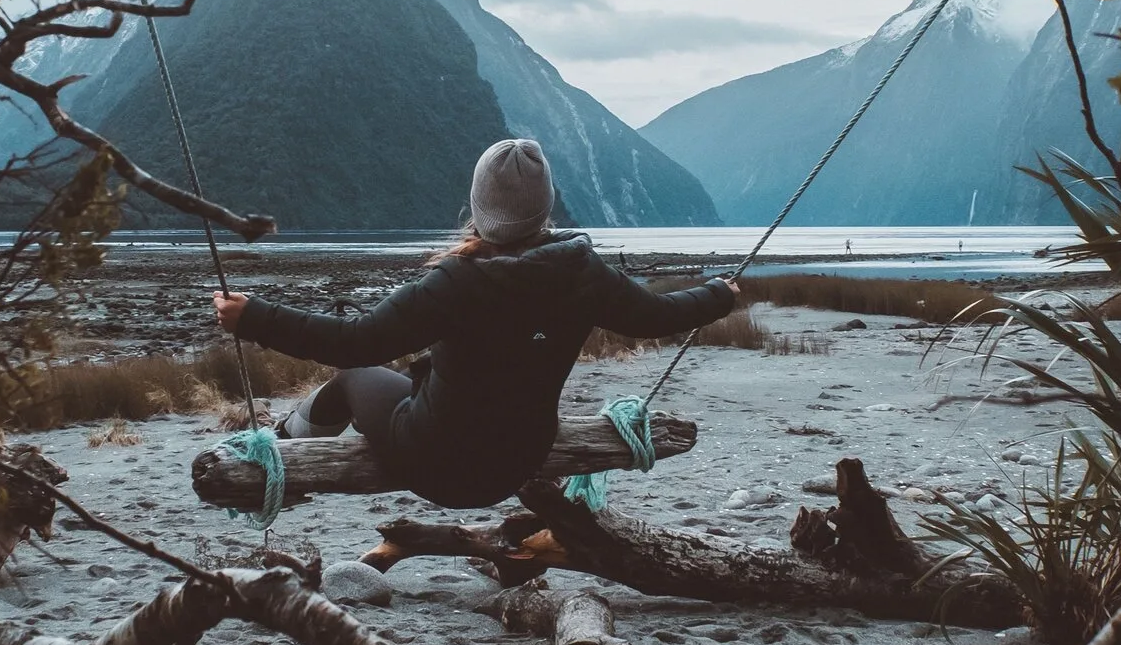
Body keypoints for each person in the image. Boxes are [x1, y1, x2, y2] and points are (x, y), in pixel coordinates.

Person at [212, 137, 742, 509]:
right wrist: (719, 294)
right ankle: (284, 453)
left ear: (478, 206)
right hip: (519, 461)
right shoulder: (584, 273)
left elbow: (356, 342)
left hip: (438, 463)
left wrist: (254, 317)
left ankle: (280, 459)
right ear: (545, 207)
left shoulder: (457, 282)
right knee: (408, 380)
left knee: (352, 378)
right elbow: (658, 317)